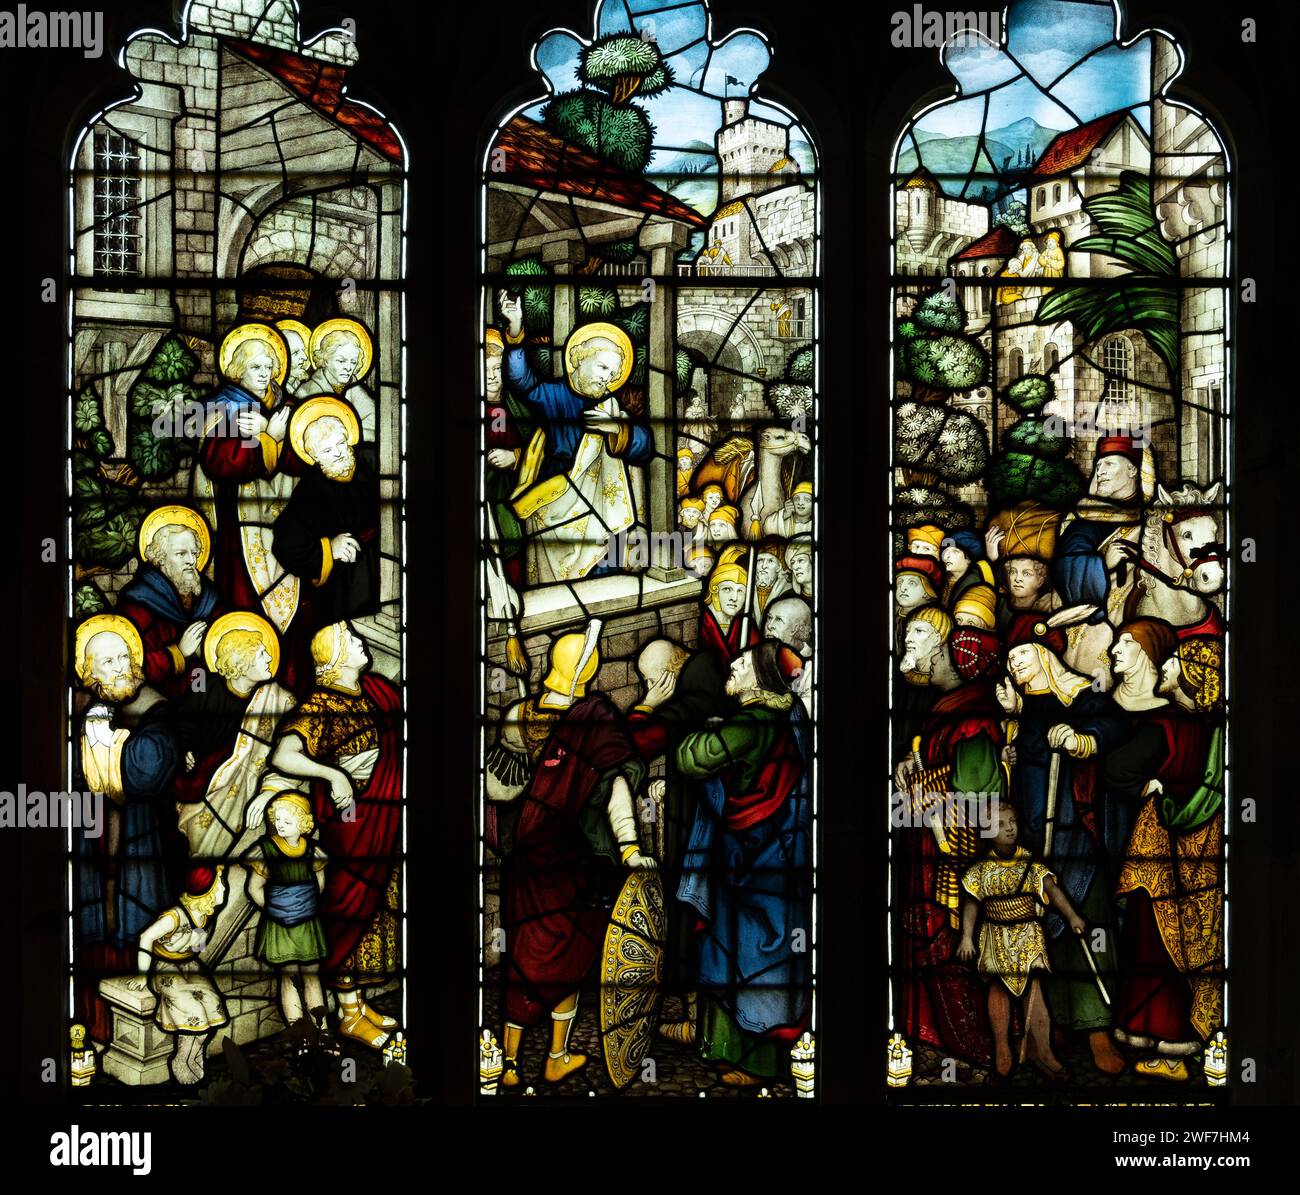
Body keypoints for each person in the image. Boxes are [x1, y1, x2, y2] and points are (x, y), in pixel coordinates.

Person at [498, 627, 654, 1087]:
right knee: (570, 957)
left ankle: (507, 1064)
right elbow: (617, 790)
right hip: (572, 864)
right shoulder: (594, 719)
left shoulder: (518, 715)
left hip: (526, 863)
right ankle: (555, 1055)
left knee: (526, 960)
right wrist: (629, 847)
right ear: (589, 670)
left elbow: (495, 788)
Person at [675, 641, 811, 1085]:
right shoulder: (788, 718)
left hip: (754, 862)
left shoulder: (752, 723)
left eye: (739, 665)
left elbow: (691, 758)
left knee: (746, 955)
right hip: (762, 855)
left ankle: (756, 1061)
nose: (730, 670)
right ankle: (714, 1043)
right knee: (728, 949)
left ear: (758, 678)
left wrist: (696, 731)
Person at [266, 621, 402, 1049]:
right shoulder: (320, 705)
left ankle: (358, 1007)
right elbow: (283, 754)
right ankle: (346, 1014)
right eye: (352, 641)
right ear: (334, 658)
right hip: (351, 827)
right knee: (348, 914)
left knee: (375, 911)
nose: (362, 643)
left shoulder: (377, 691)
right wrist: (332, 773)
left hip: (382, 819)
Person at [998, 637, 1127, 1074]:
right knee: (1041, 939)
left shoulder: (1078, 695)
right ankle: (1047, 1032)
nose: (1015, 665)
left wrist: (1079, 740)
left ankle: (1098, 1032)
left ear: (1043, 658)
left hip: (1074, 832)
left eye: (1021, 656)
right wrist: (1010, 757)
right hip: (1034, 840)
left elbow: (1113, 725)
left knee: (1088, 926)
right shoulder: (1024, 714)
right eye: (1010, 662)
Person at [1110, 635, 1224, 1080]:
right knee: (1191, 943)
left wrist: (1152, 789)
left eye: (1174, 662)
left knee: (1155, 942)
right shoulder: (1213, 733)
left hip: (1162, 853)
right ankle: (1177, 1041)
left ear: (1193, 679)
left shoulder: (1169, 726)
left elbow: (1118, 768)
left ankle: (1168, 1043)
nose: (1166, 666)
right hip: (1203, 852)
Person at [73, 614, 182, 1043]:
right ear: (87, 674)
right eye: (107, 662)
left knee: (135, 924)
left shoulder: (154, 710)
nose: (120, 667)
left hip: (141, 840)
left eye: (125, 657)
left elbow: (147, 771)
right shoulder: (74, 714)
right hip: (86, 841)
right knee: (88, 925)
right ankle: (87, 1031)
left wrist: (107, 744)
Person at [626, 638, 733, 1044]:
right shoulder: (702, 682)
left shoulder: (697, 687)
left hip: (705, 825)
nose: (648, 685)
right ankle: (700, 1018)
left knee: (693, 909)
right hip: (705, 816)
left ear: (670, 674)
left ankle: (700, 1023)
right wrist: (666, 782)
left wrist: (645, 706)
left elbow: (639, 739)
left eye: (652, 680)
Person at [500, 299, 652, 582]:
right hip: (555, 499)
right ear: (580, 359)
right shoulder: (553, 395)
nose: (608, 379)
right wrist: (516, 331)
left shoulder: (611, 407)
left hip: (600, 512)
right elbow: (521, 381)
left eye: (613, 374)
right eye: (603, 368)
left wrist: (616, 430)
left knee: (603, 576)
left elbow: (645, 447)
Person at [959, 804, 1085, 1080]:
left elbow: (1053, 891)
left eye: (1013, 821)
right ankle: (1002, 1048)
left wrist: (1073, 917)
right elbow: (971, 904)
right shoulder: (980, 871)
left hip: (1028, 934)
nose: (1010, 827)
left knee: (1036, 996)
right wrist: (967, 936)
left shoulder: (1030, 863)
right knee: (998, 992)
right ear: (988, 831)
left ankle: (1044, 1050)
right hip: (995, 935)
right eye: (1002, 824)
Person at [195, 324, 305, 622]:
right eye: (255, 366)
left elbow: (308, 456)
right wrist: (269, 437)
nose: (263, 373)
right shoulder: (223, 409)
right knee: (244, 603)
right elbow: (221, 463)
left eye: (269, 366)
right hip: (240, 526)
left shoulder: (288, 407)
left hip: (290, 520)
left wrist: (278, 442)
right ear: (238, 370)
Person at [174, 612, 297, 860]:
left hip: (245, 792)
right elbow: (180, 722)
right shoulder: (205, 686)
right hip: (200, 784)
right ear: (243, 661)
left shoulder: (276, 701)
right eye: (262, 654)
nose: (271, 658)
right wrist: (184, 750)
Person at [272, 397, 380, 627]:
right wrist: (329, 548)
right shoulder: (310, 489)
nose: (339, 453)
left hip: (385, 556)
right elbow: (286, 542)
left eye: (341, 444)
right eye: (328, 450)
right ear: (314, 457)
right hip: (348, 582)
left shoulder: (373, 459)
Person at [126, 865, 230, 1085]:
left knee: (212, 1004)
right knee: (194, 1012)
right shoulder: (175, 916)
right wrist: (142, 975)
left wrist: (193, 942)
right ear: (208, 892)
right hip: (165, 968)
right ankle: (181, 1060)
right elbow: (146, 938)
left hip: (190, 967)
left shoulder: (206, 916)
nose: (224, 887)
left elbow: (197, 948)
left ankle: (191, 1056)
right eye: (219, 884)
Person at [116, 507, 221, 699]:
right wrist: (179, 653)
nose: (191, 561)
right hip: (160, 701)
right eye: (181, 554)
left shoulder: (208, 597)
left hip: (209, 698)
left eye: (194, 553)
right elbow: (128, 665)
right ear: (161, 559)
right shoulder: (139, 601)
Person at [246, 793, 329, 1033]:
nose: (280, 825)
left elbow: (319, 883)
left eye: (287, 821)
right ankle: (299, 1035)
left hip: (307, 922)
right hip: (280, 924)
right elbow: (254, 888)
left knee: (312, 976)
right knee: (288, 977)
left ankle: (322, 1031)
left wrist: (304, 904)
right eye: (278, 820)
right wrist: (276, 909)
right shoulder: (265, 850)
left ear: (303, 823)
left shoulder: (313, 850)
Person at [297, 318, 376, 442]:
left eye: (353, 362)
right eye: (341, 361)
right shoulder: (305, 392)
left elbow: (377, 426)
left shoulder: (357, 391)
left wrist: (349, 434)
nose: (348, 367)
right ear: (326, 359)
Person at [697, 548, 759, 664]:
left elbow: (758, 659)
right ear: (714, 590)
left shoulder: (744, 623)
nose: (734, 598)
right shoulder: (700, 621)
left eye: (740, 591)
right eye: (727, 589)